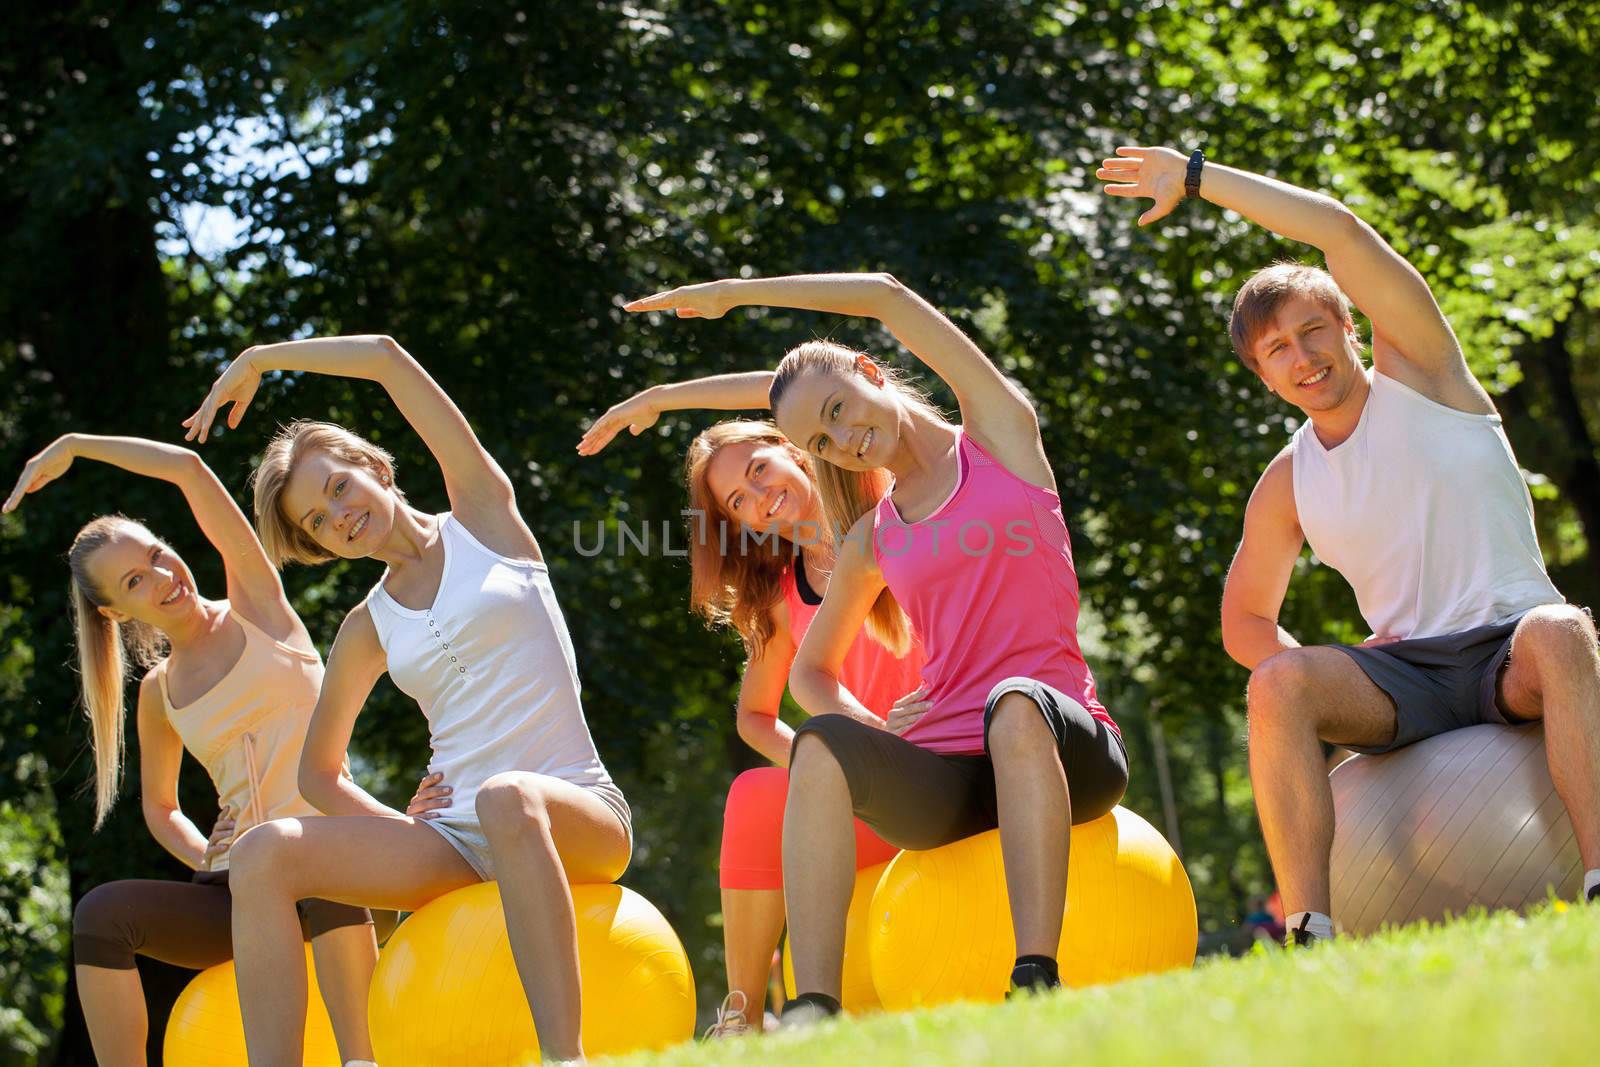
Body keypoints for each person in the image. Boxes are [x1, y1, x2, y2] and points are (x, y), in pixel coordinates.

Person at [1095, 145, 1600, 941]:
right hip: (1410, 678)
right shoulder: (1287, 480)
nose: (1304, 357)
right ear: (1262, 375)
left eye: (1314, 330)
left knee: (1566, 629)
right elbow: (1245, 623)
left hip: (1514, 647)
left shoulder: (1427, 375)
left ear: (1351, 328)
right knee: (1279, 684)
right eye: (1278, 351)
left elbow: (1337, 229)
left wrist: (1195, 177)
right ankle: (1308, 927)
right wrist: (1351, 675)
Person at [625, 273, 1129, 1022]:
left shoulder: (999, 435)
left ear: (871, 370)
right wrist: (873, 723)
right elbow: (809, 674)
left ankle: (1035, 975)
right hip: (951, 779)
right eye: (823, 441)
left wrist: (736, 294)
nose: (845, 439)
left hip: (1064, 746)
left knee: (1015, 703)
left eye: (838, 413)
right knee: (822, 744)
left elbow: (886, 297)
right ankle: (810, 1010)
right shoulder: (875, 535)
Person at [184, 335, 630, 1065]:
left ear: (373, 466)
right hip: (453, 840)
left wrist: (263, 358)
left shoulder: (485, 519)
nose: (339, 516)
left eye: (337, 488)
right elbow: (316, 776)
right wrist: (400, 823)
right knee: (263, 852)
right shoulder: (366, 627)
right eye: (318, 523)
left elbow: (388, 359)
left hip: (575, 807)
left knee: (509, 797)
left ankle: (564, 1059)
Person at [3, 435, 378, 1067]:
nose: (161, 577)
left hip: (330, 858)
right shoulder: (160, 692)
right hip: (243, 887)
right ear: (115, 612)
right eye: (134, 581)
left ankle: (362, 1059)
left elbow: (188, 468)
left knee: (310, 860)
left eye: (156, 555)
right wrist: (209, 852)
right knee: (100, 916)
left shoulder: (258, 608)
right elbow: (160, 808)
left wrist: (76, 447)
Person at [566, 393, 924, 1034]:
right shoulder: (784, 596)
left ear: (792, 446)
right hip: (877, 791)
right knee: (756, 794)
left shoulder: (891, 507)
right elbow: (755, 717)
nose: (757, 496)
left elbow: (816, 387)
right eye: (737, 501)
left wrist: (663, 399)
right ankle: (745, 1016)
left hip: (951, 761)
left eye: (758, 469)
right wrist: (825, 767)